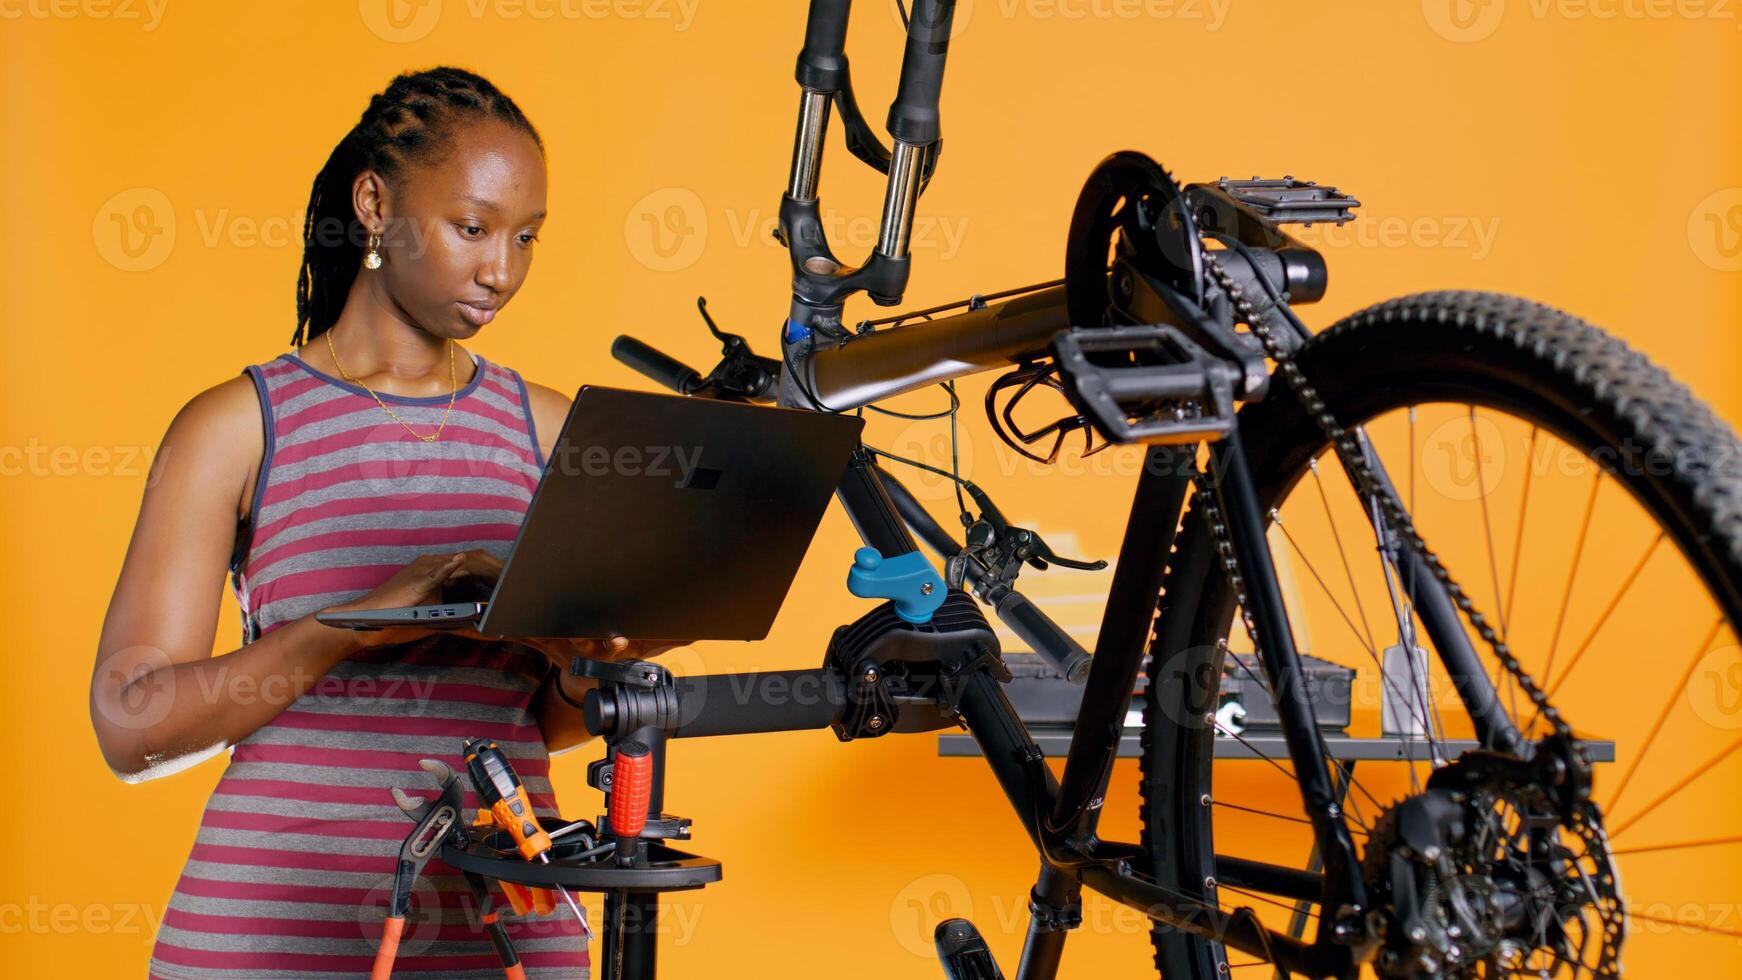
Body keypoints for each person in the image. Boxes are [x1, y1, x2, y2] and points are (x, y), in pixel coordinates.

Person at [88, 66, 677, 978]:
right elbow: (131, 724)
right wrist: (349, 626)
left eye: (527, 238)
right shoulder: (237, 426)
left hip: (505, 918)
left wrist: (577, 663)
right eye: (473, 228)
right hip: (273, 931)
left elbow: (545, 723)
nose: (502, 270)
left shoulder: (561, 433)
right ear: (373, 204)